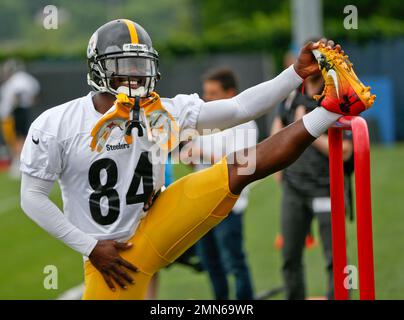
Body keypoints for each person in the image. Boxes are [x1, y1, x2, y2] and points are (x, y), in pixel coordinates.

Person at [19, 19, 374, 299]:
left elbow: (240, 107)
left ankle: (332, 109)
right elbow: (31, 197)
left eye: (141, 65)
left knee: (240, 168)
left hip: (159, 218)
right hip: (115, 254)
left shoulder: (161, 110)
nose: (136, 74)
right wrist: (90, 246)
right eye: (125, 65)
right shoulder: (56, 124)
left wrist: (295, 73)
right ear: (99, 69)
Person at [271, 71, 353, 300]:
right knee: (290, 257)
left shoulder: (335, 99)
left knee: (336, 259)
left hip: (329, 189)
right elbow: (276, 135)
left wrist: (305, 128)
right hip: (294, 188)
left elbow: (345, 152)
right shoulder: (291, 97)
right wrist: (277, 167)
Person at [190, 67, 257, 300]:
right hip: (203, 203)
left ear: (230, 93)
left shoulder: (244, 123)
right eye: (205, 93)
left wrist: (195, 152)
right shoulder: (205, 121)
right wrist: (191, 155)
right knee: (211, 263)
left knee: (234, 261)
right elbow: (196, 160)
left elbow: (237, 164)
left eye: (213, 93)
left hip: (229, 205)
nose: (207, 99)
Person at [0, 59, 40, 178]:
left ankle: (19, 162)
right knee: (20, 138)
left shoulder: (17, 80)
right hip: (21, 110)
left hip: (16, 112)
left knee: (17, 138)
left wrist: (15, 106)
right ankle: (19, 162)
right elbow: (35, 95)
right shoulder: (26, 79)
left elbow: (17, 94)